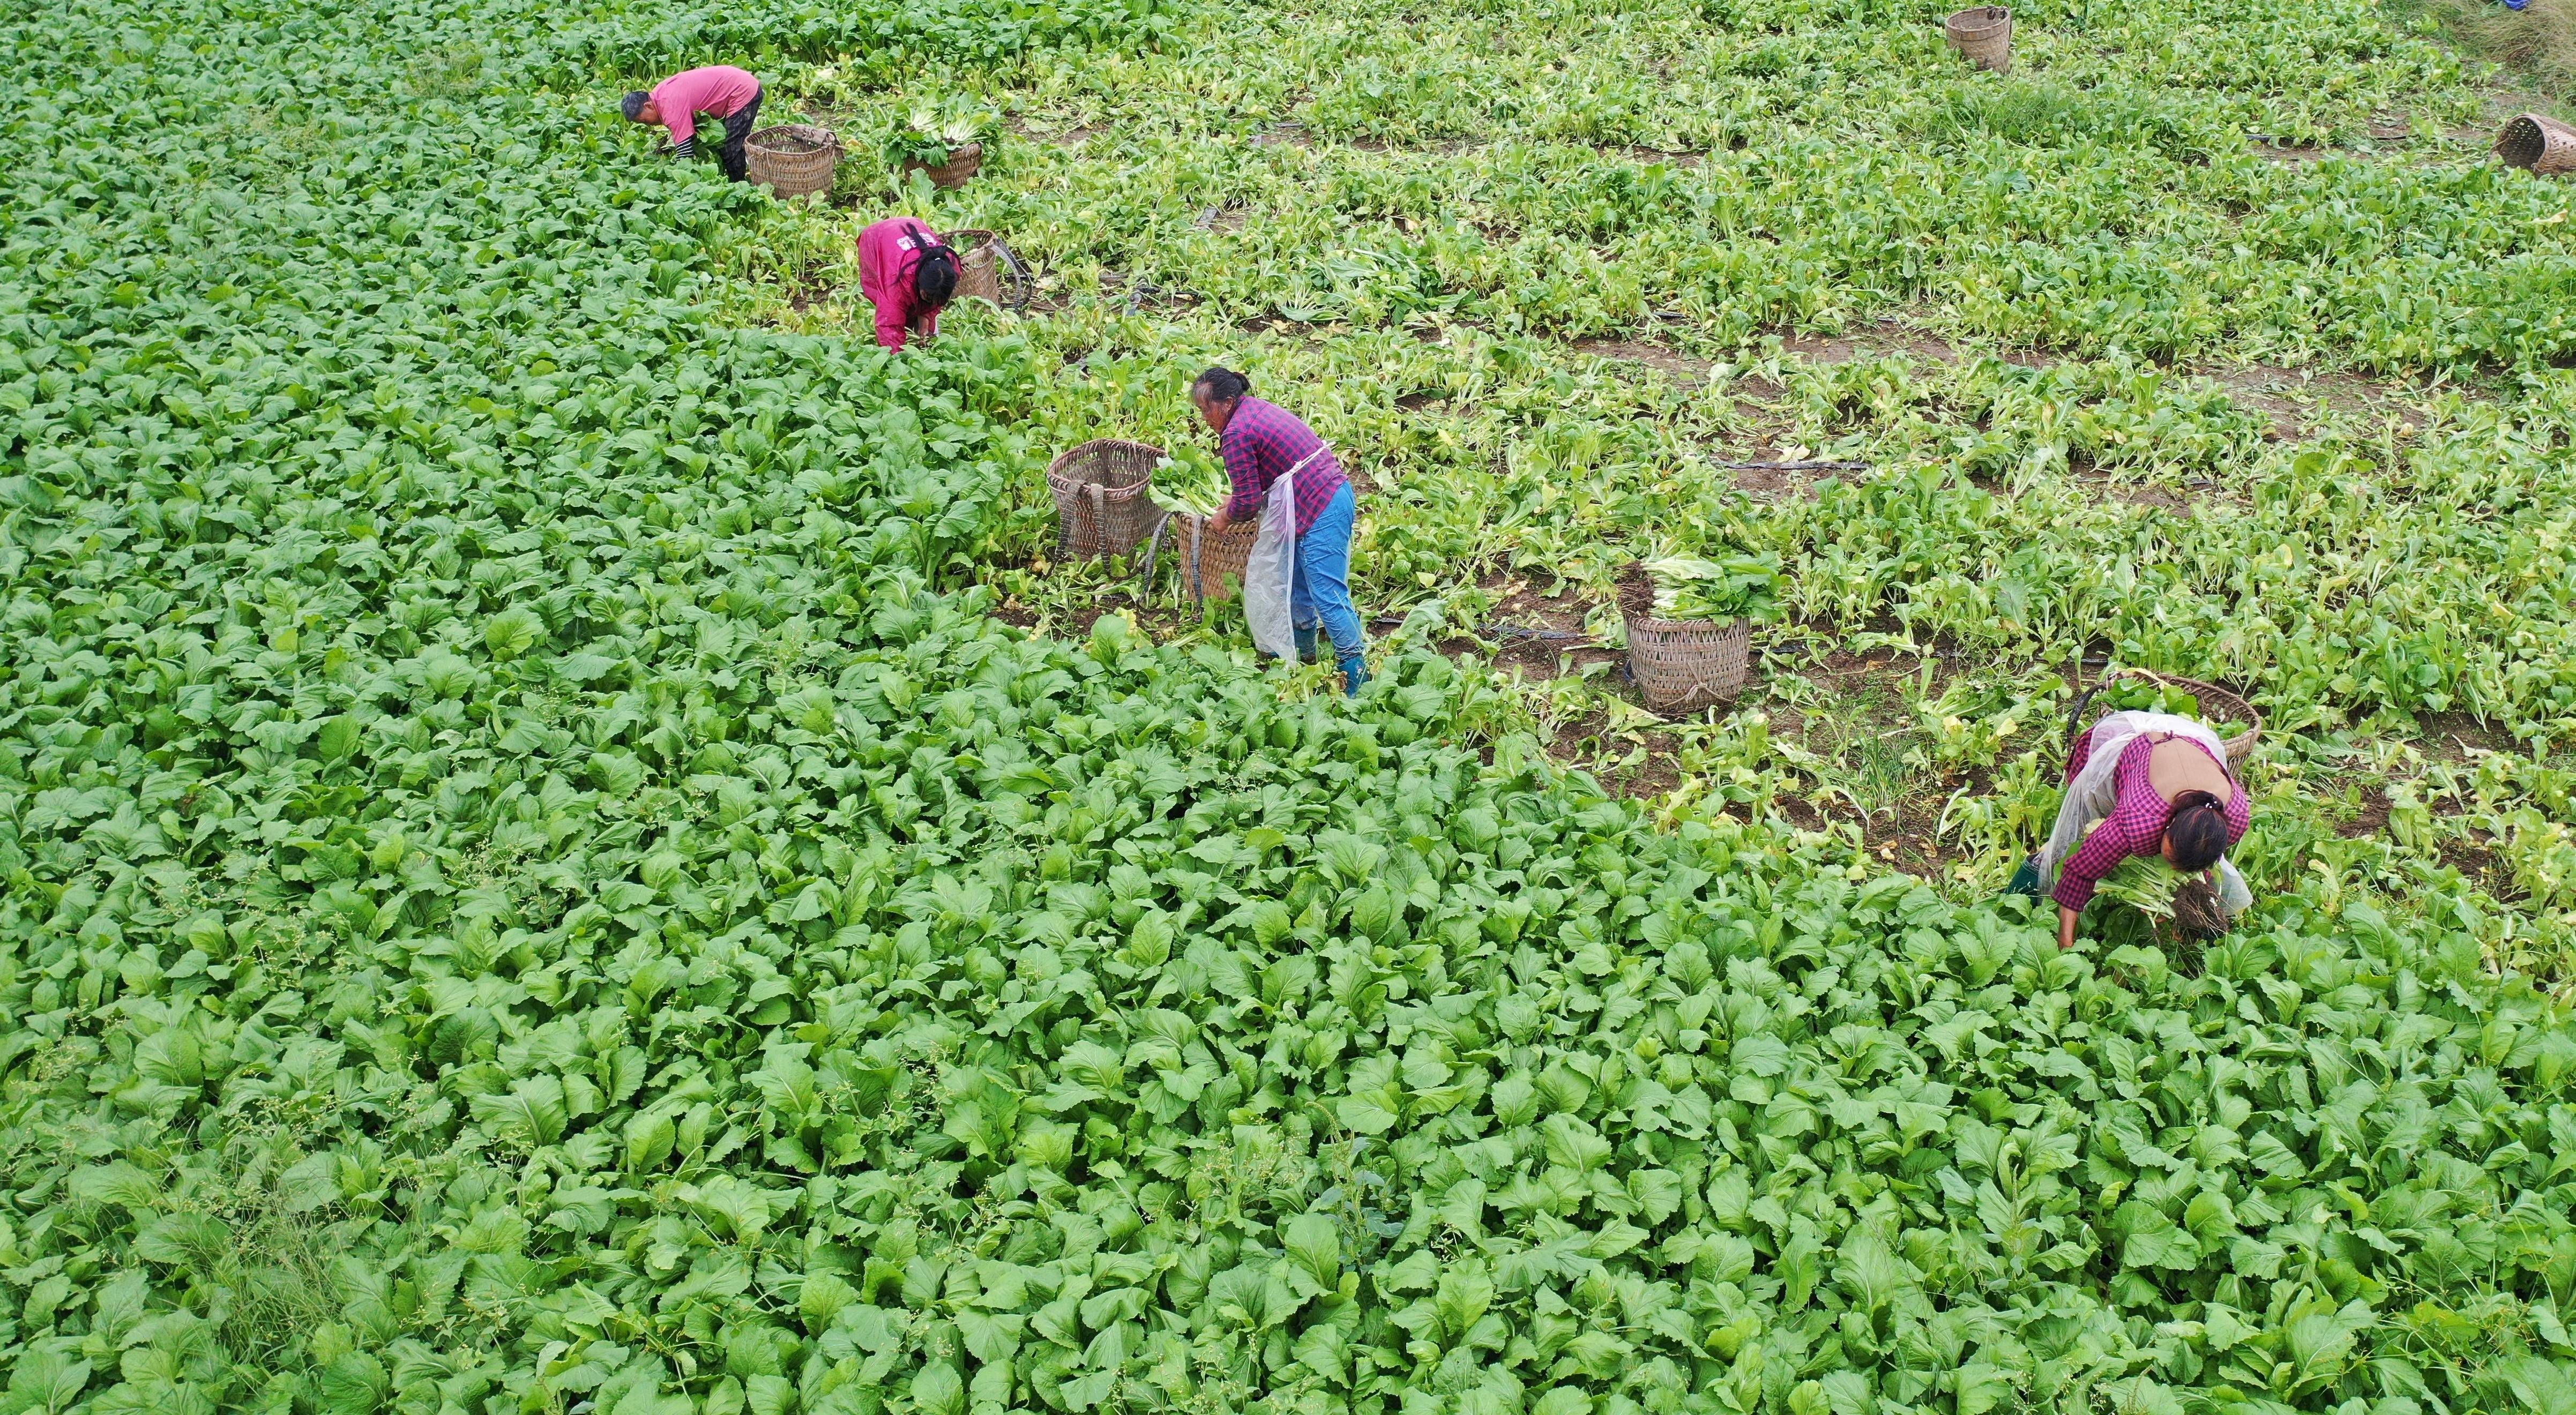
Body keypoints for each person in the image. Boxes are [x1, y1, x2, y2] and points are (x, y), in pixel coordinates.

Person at [1191, 368, 1367, 695]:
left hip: (1321, 505)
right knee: (1296, 585)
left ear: (1228, 402)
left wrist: (1224, 519)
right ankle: (1306, 657)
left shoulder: (1236, 433)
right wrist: (1238, 500)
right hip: (1323, 496)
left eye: (1206, 409)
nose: (1204, 418)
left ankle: (1356, 676)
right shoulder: (1253, 410)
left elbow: (1245, 505)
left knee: (1328, 595)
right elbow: (1266, 477)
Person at [2027, 705, 2251, 948]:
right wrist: (2065, 941)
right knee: (2091, 833)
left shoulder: (2235, 817)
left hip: (2189, 749)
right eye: (2171, 858)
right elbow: (2081, 872)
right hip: (2135, 750)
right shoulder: (2140, 820)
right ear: (2170, 824)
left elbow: (2206, 855)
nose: (2172, 868)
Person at [622, 66, 764, 183]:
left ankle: (739, 186)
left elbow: (685, 153)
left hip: (743, 90)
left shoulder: (669, 106)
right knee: (728, 143)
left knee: (731, 146)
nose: (649, 125)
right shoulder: (659, 94)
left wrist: (679, 180)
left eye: (645, 121)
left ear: (648, 106)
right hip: (739, 82)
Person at [856, 218, 960, 351]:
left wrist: (926, 318)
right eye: (927, 297)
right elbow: (889, 326)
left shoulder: (950, 268)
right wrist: (899, 359)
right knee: (892, 307)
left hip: (911, 226)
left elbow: (937, 298)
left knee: (919, 311)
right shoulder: (897, 282)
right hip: (878, 237)